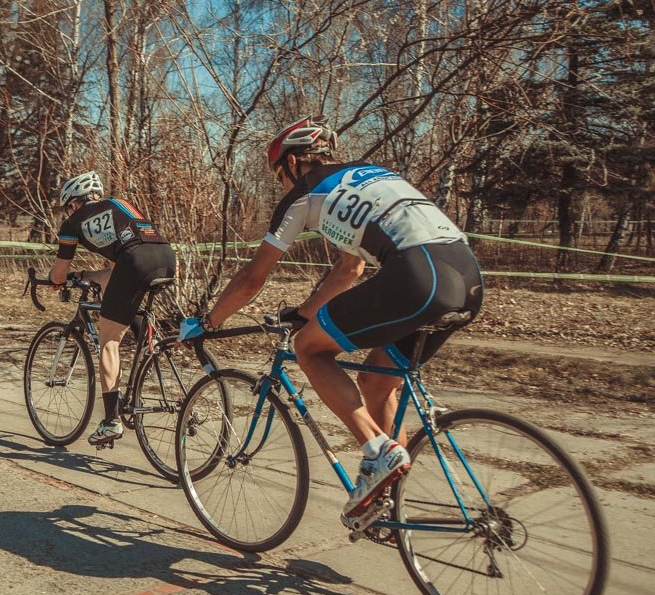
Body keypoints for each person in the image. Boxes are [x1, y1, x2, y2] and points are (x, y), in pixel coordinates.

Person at [179, 115, 483, 527]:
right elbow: (349, 269)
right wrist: (305, 312)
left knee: (309, 348)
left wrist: (210, 321)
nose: (281, 186)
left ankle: (378, 451)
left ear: (291, 163)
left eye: (278, 177)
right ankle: (390, 508)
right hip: (467, 277)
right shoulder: (372, 175)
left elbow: (252, 278)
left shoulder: (304, 193)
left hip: (417, 276)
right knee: (377, 381)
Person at [47, 171, 175, 447]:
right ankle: (147, 350)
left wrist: (56, 279)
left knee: (109, 341)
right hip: (165, 256)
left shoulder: (72, 222)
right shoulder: (119, 204)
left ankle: (110, 421)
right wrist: (86, 275)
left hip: (133, 262)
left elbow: (58, 274)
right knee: (126, 311)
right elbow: (114, 274)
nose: (68, 212)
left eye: (68, 207)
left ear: (73, 203)